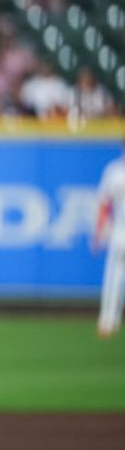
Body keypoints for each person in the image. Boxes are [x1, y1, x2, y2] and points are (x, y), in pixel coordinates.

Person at [94, 140, 125, 339]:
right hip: (119, 231)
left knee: (114, 278)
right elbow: (104, 205)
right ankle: (108, 321)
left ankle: (108, 321)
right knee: (115, 278)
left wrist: (99, 233)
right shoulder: (114, 170)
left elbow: (104, 204)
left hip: (120, 233)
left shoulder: (114, 170)